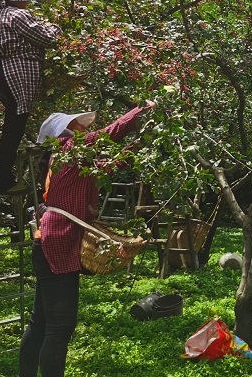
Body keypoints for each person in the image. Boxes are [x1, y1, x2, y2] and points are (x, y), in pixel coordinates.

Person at [19, 102, 154, 377]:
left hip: (47, 240)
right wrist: (142, 110)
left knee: (41, 322)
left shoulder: (69, 158)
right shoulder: (69, 150)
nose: (85, 128)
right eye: (79, 125)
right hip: (57, 244)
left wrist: (139, 145)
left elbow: (105, 168)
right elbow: (110, 133)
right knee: (60, 327)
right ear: (66, 131)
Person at [0, 0, 62, 194]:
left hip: (3, 71)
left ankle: (4, 179)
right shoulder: (17, 14)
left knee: (13, 125)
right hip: (16, 71)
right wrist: (55, 27)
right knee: (14, 127)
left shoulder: (0, 14)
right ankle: (3, 180)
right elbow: (47, 38)